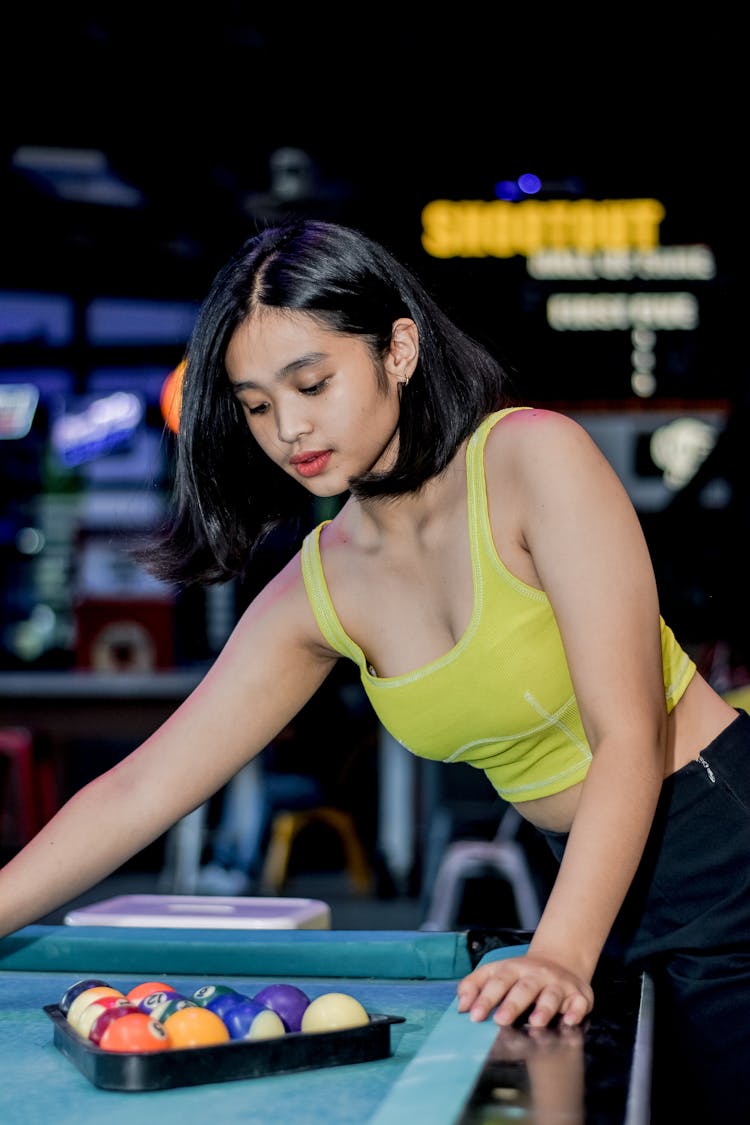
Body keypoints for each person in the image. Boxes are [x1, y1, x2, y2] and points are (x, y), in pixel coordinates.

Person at [0, 216, 748, 1120]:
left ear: (399, 348)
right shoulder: (320, 585)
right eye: (257, 404)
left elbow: (629, 731)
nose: (290, 428)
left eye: (311, 382)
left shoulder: (531, 459)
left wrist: (560, 948)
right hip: (595, 883)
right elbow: (142, 787)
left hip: (724, 853)